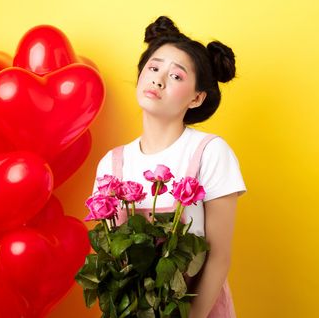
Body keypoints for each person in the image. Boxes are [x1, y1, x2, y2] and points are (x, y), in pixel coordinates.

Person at [91, 16, 247, 318]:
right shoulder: (111, 163)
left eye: (176, 76)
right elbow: (110, 260)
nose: (158, 80)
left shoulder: (210, 153)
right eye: (153, 67)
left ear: (197, 97)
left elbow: (218, 257)